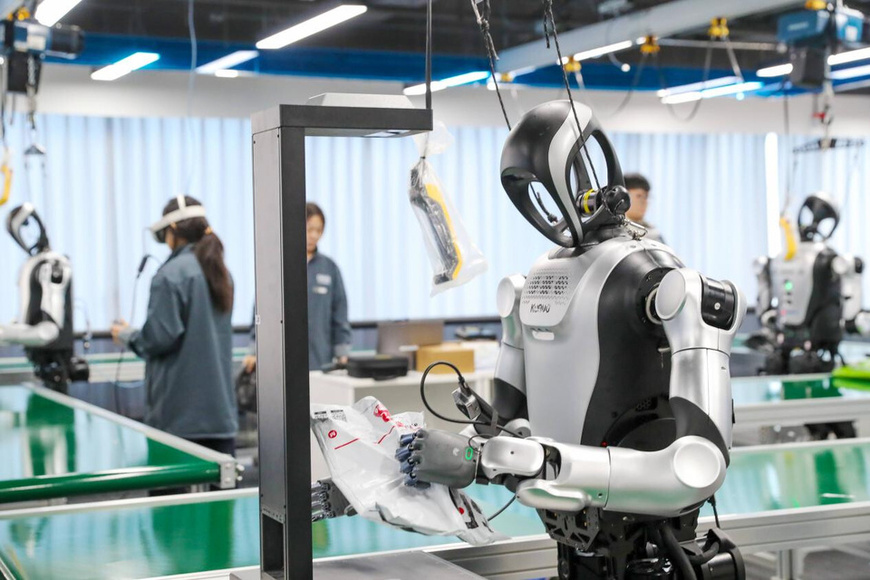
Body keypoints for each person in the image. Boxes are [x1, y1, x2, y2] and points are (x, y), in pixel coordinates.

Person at [111, 195, 237, 456]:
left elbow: (156, 339)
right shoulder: (222, 273)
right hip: (220, 417)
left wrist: (125, 334)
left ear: (172, 232)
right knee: (223, 495)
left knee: (170, 496)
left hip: (178, 421)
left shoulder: (170, 275)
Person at [243, 202, 352, 373]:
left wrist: (343, 353)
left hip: (319, 360)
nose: (314, 235)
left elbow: (340, 314)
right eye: (309, 229)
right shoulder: (278, 265)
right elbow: (261, 311)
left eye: (319, 230)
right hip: (281, 360)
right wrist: (254, 351)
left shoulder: (329, 268)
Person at [624, 173, 665, 243]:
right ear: (624, 197)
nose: (644, 202)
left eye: (646, 197)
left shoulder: (654, 232)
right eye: (639, 196)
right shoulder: (616, 231)